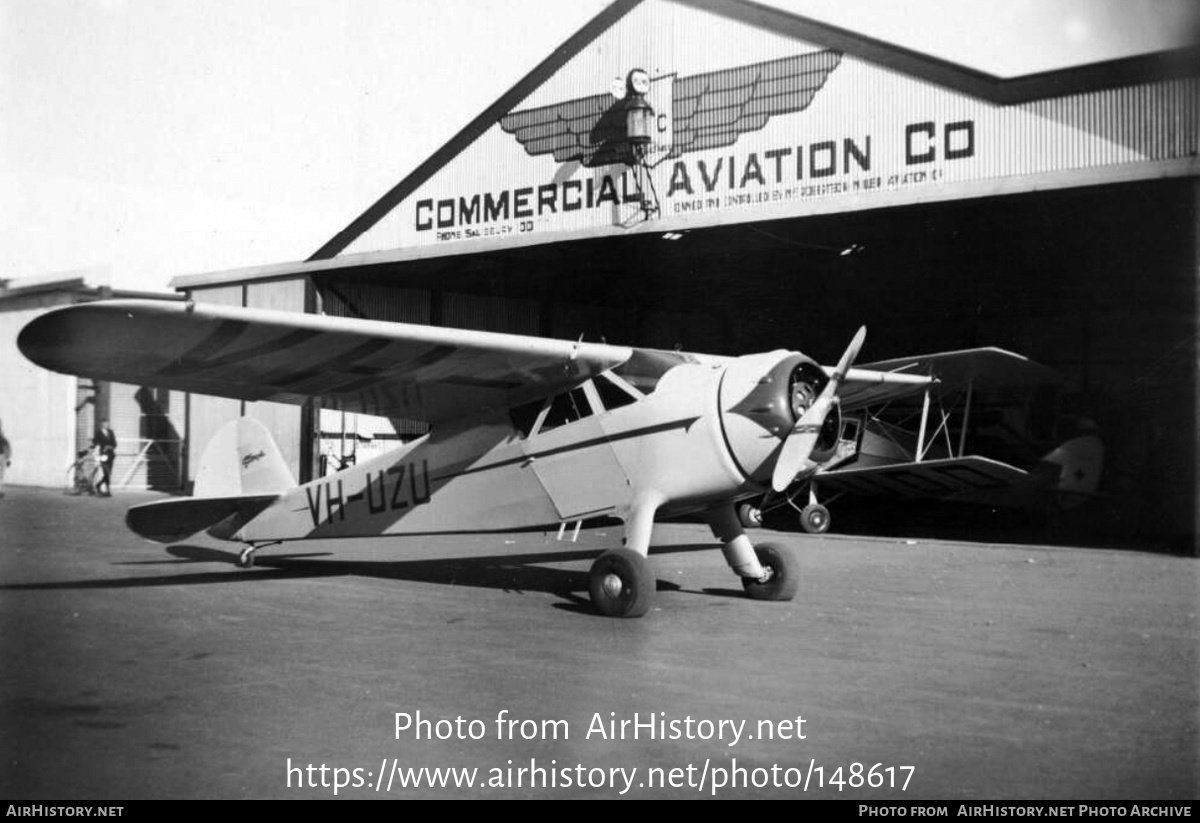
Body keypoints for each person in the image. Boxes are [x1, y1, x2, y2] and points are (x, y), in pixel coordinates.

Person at [92, 419, 117, 497]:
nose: (107, 425)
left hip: (111, 455)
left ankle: (99, 485)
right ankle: (108, 490)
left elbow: (115, 444)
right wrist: (93, 446)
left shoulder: (111, 432)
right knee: (106, 472)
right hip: (103, 456)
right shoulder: (98, 433)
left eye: (107, 424)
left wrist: (109, 446)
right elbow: (95, 442)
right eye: (105, 424)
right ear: (102, 424)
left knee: (108, 473)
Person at [0, 419, 10, 499]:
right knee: (0, 475)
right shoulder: (2, 437)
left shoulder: (2, 437)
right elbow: (6, 447)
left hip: (2, 456)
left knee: (1, 475)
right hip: (2, 456)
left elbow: (6, 447)